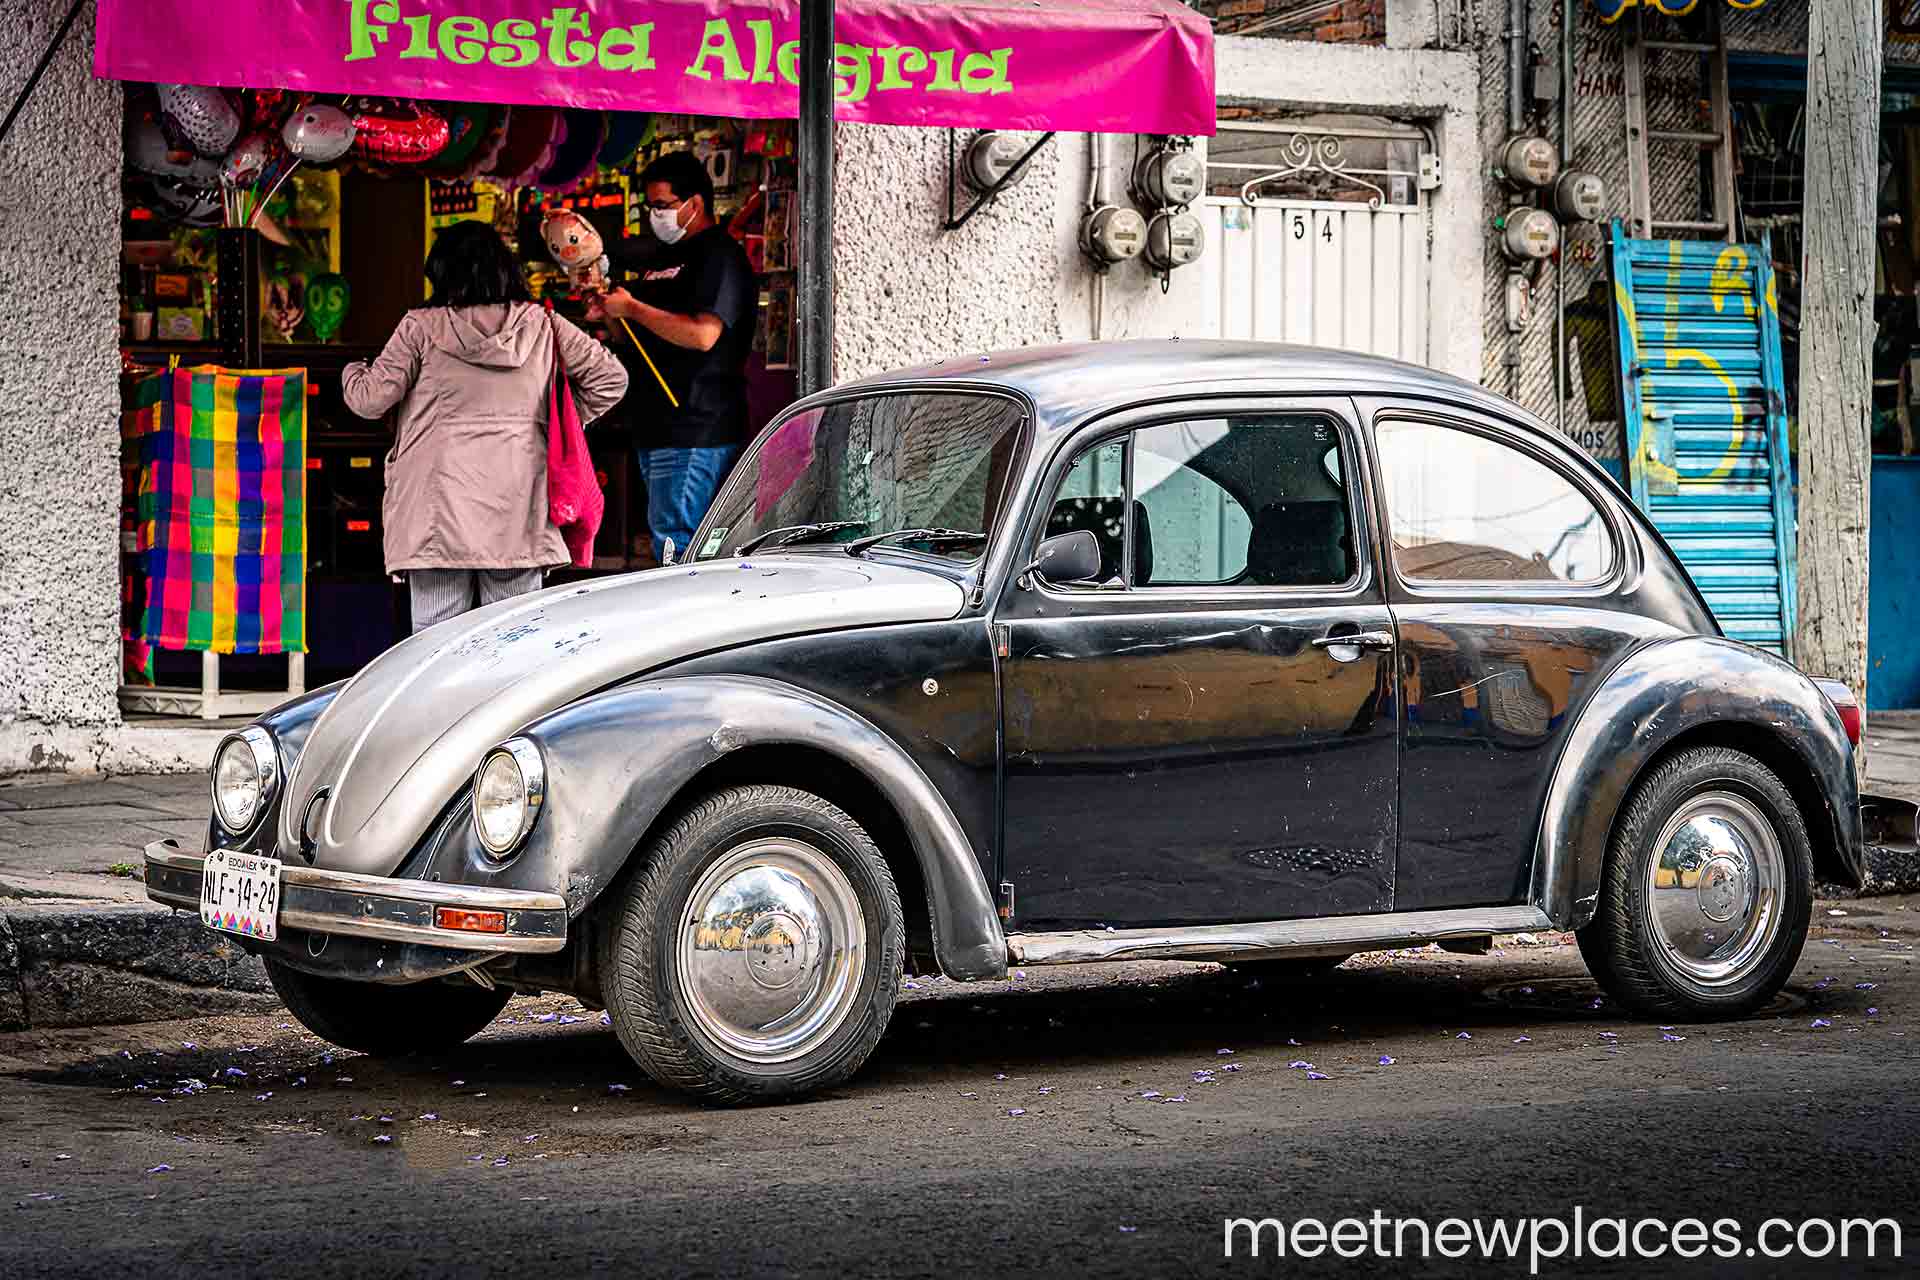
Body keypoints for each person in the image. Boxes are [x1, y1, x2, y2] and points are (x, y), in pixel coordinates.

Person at [343, 222, 628, 633]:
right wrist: (554, 424)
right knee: (512, 640)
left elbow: (369, 400)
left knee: (436, 643)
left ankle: (442, 702)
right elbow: (611, 380)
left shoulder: (420, 327)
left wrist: (353, 371)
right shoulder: (543, 325)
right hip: (518, 505)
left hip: (434, 509)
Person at [589, 150, 756, 563]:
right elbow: (642, 338)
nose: (655, 215)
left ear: (694, 204)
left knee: (679, 551)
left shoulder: (719, 256)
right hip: (655, 423)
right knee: (672, 540)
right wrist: (611, 316)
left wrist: (633, 309)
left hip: (696, 425)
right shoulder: (663, 259)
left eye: (663, 206)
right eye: (651, 207)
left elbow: (702, 335)